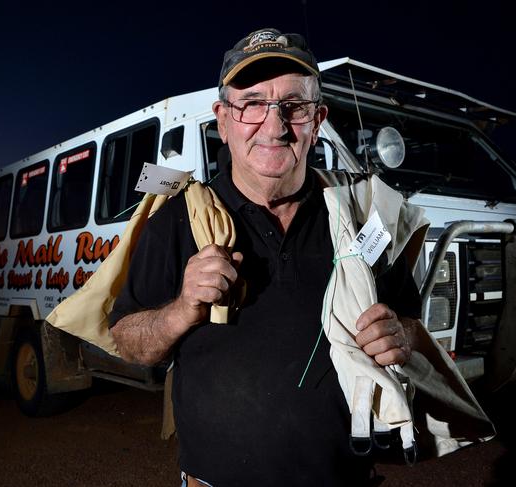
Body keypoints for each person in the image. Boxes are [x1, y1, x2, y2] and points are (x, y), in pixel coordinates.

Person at [109, 28, 425, 487]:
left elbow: (413, 325)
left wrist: (402, 335)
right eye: (252, 103)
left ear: (317, 119)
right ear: (222, 119)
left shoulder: (360, 216)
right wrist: (180, 311)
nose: (274, 127)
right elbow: (127, 341)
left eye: (292, 106)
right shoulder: (178, 220)